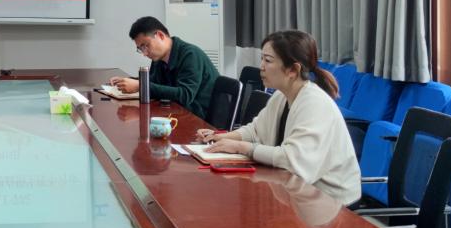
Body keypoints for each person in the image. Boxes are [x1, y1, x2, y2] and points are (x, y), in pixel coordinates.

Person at [195, 30, 362, 206]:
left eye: (268, 60)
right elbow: (255, 130)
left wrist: (240, 147)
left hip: (330, 203)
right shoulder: (281, 96)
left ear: (293, 70)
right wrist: (221, 137)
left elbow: (293, 160)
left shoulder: (314, 104)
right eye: (262, 59)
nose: (261, 66)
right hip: (296, 193)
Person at [109, 16, 218, 118]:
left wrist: (141, 86)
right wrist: (128, 81)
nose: (145, 53)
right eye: (141, 49)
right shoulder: (159, 58)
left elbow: (185, 95)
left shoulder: (190, 55)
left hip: (200, 119)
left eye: (145, 46)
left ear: (160, 35)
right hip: (176, 113)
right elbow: (154, 82)